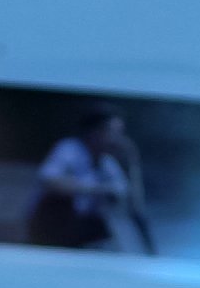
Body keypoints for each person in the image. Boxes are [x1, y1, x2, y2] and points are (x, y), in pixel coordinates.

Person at [25, 107, 147, 252]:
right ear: (95, 133)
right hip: (52, 228)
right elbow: (49, 181)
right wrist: (99, 189)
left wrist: (132, 163)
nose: (118, 140)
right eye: (113, 132)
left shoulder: (107, 163)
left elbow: (132, 203)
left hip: (84, 231)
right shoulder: (70, 149)